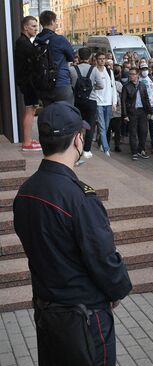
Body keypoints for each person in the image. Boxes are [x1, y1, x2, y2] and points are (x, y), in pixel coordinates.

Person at [13, 101, 132, 366]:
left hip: (48, 313)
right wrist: (119, 289)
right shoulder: (79, 198)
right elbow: (103, 258)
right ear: (77, 139)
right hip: (85, 318)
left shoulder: (26, 192)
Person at [70, 47, 104, 160]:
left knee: (76, 125)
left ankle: (76, 147)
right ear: (90, 57)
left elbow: (69, 85)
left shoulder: (72, 69)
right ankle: (86, 150)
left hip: (77, 101)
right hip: (91, 100)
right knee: (90, 126)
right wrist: (92, 88)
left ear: (78, 56)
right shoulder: (94, 70)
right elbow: (101, 85)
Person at [34, 11, 74, 106]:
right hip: (61, 83)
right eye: (56, 21)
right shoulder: (59, 39)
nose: (56, 24)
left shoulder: (37, 40)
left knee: (50, 116)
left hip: (43, 84)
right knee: (67, 115)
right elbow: (71, 56)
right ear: (52, 22)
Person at [14, 15, 41, 152]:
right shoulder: (23, 43)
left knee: (31, 109)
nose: (36, 29)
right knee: (30, 110)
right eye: (33, 26)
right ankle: (27, 142)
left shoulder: (23, 42)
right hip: (28, 82)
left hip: (27, 81)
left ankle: (28, 140)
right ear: (26, 27)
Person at [121, 67, 153, 160]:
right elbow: (123, 101)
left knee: (143, 132)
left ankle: (141, 150)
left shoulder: (142, 85)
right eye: (130, 74)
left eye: (133, 74)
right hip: (132, 111)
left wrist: (149, 111)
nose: (131, 76)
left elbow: (146, 99)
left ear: (138, 75)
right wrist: (125, 115)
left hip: (142, 111)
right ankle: (134, 152)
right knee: (133, 132)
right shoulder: (126, 86)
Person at [93, 52, 117, 157]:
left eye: (104, 58)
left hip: (108, 102)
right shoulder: (93, 71)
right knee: (102, 126)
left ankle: (101, 142)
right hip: (98, 103)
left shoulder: (109, 71)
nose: (102, 60)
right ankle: (106, 148)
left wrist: (114, 102)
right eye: (100, 58)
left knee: (106, 126)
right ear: (96, 60)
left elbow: (113, 87)